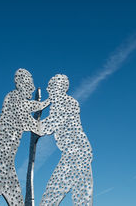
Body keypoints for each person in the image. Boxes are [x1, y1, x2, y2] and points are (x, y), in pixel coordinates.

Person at [0, 69, 50, 206]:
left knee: (2, 193)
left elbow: (32, 113)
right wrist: (51, 100)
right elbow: (34, 122)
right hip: (1, 158)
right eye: (30, 83)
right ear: (22, 84)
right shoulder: (14, 99)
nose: (33, 87)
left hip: (5, 160)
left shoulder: (17, 102)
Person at [39, 74, 93, 206]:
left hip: (75, 154)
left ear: (58, 88)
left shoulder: (66, 103)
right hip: (78, 154)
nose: (47, 89)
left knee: (51, 196)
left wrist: (30, 124)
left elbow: (50, 124)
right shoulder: (61, 103)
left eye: (50, 86)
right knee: (80, 198)